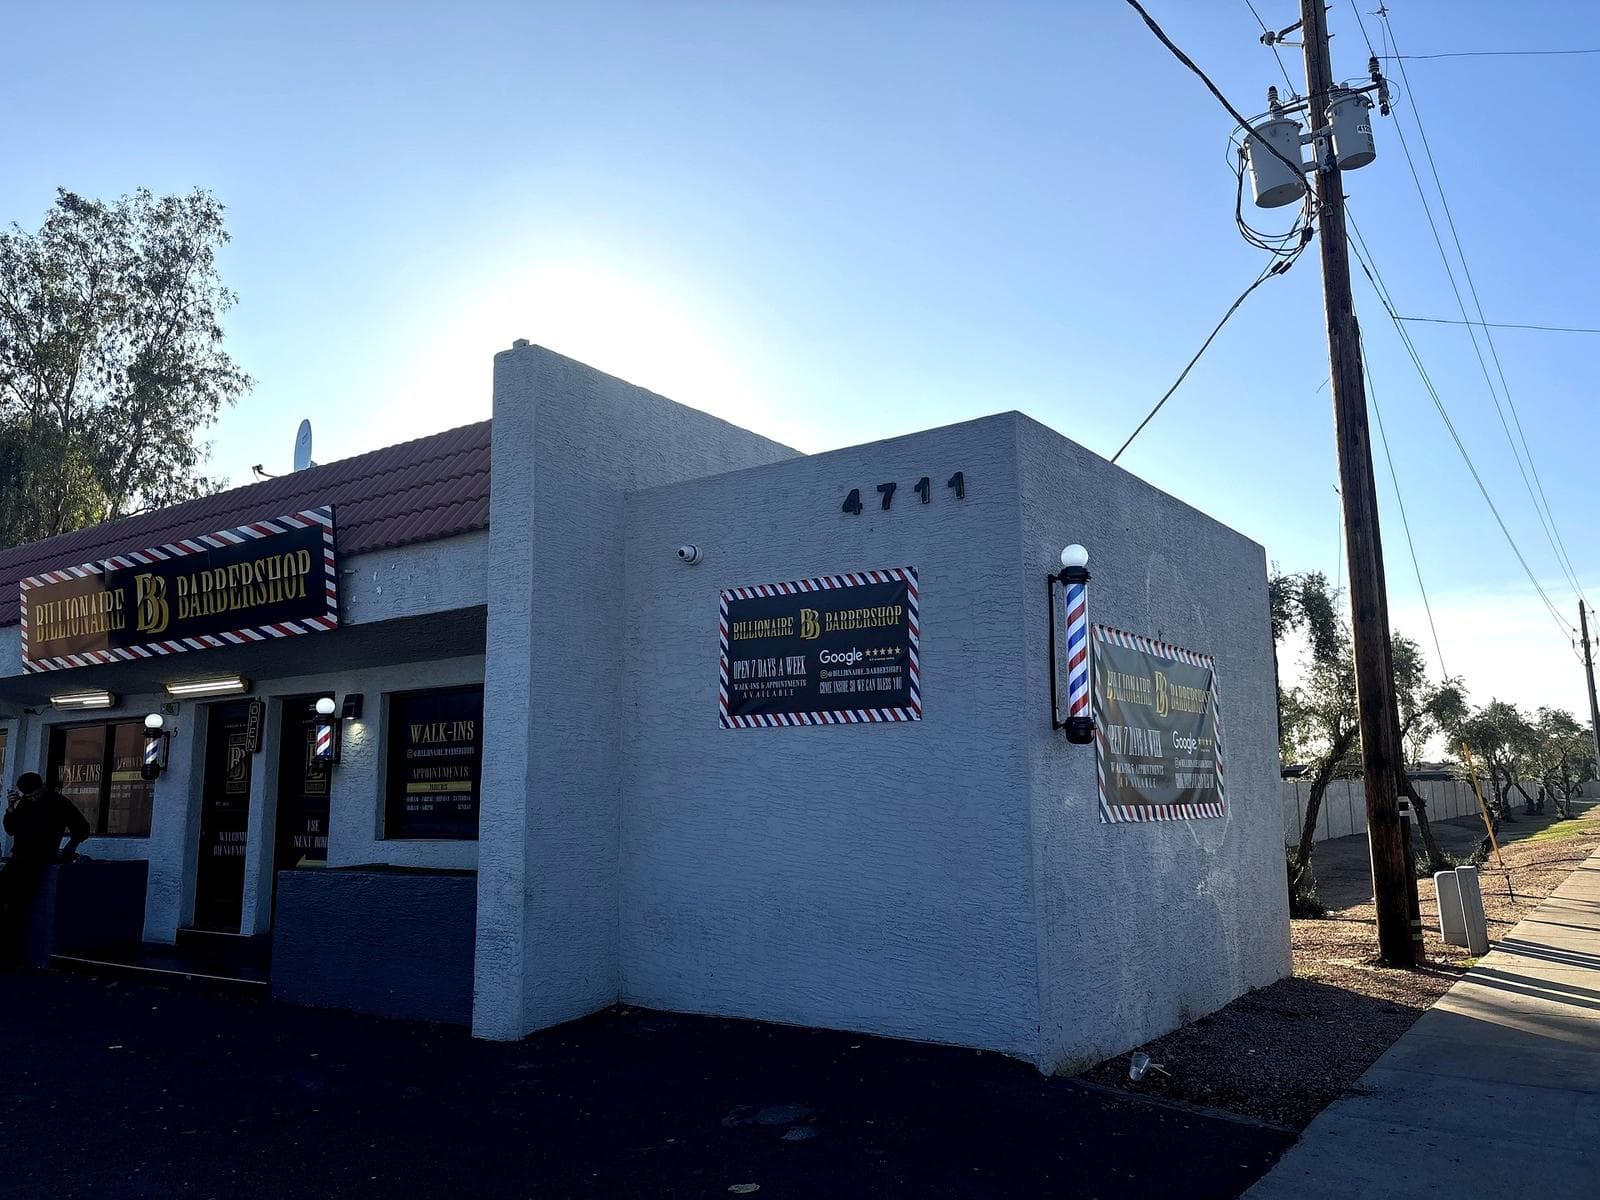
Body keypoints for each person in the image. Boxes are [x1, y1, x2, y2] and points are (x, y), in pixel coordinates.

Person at [1, 772, 91, 967]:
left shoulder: (58, 802)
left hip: (39, 858)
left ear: (42, 787)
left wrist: (70, 848)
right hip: (19, 856)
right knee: (7, 900)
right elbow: (11, 829)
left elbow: (82, 827)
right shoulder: (25, 803)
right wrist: (11, 808)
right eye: (29, 796)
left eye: (35, 794)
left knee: (18, 905)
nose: (33, 798)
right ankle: (7, 951)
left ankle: (11, 954)